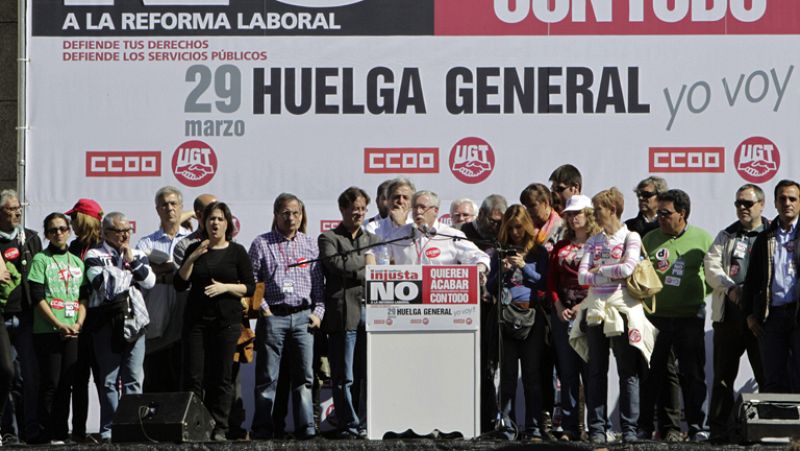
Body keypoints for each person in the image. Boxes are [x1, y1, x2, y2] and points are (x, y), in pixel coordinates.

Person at [575, 187, 656, 444]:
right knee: (596, 371)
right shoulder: (593, 240)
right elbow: (581, 275)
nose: (594, 213)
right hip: (596, 309)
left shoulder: (630, 236)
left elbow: (629, 267)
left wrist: (601, 271)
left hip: (623, 309)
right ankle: (597, 429)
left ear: (612, 209)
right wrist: (609, 271)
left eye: (598, 209)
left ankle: (629, 430)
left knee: (628, 372)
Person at [175, 201, 255, 441]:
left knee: (222, 377)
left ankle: (220, 427)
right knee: (193, 376)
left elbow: (249, 287)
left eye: (220, 219)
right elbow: (180, 284)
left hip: (226, 322)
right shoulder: (195, 248)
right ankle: (195, 424)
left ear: (227, 222)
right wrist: (193, 257)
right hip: (196, 322)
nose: (215, 223)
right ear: (204, 223)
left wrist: (225, 288)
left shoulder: (237, 251)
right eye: (211, 219)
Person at [249, 193, 324, 440]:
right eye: (285, 213)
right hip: (274, 316)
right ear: (276, 215)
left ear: (302, 216)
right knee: (267, 377)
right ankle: (262, 427)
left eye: (296, 213)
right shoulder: (262, 243)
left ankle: (306, 427)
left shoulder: (311, 244)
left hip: (303, 317)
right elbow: (252, 281)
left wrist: (318, 313)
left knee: (305, 377)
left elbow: (318, 286)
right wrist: (265, 310)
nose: (291, 218)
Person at [640, 189, 713, 442]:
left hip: (690, 317)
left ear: (681, 214)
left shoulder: (702, 238)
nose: (659, 217)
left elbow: (714, 276)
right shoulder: (649, 239)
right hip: (655, 318)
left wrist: (697, 293)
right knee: (652, 375)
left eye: (665, 213)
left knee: (692, 375)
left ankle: (697, 427)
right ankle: (647, 427)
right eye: (658, 212)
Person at [84, 212, 155, 442]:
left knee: (134, 377)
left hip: (135, 322)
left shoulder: (138, 254)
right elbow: (102, 286)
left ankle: (132, 427)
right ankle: (109, 429)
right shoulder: (95, 254)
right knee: (109, 380)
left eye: (127, 230)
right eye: (119, 231)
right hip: (106, 323)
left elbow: (148, 281)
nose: (125, 235)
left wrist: (131, 261)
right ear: (105, 232)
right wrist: (127, 277)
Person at [704, 184, 767, 442]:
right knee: (722, 377)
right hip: (729, 318)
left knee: (766, 375)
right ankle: (718, 430)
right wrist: (730, 289)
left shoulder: (773, 233)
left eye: (748, 203)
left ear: (761, 205)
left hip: (762, 317)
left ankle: (768, 428)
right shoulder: (726, 235)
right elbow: (711, 266)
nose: (742, 207)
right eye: (738, 203)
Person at [318, 187, 379, 439]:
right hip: (344, 313)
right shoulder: (328, 238)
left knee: (367, 374)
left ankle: (365, 422)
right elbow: (333, 265)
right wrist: (365, 263)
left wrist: (357, 264)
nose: (359, 213)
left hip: (372, 312)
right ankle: (348, 423)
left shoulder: (372, 239)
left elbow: (380, 270)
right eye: (355, 208)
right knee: (344, 376)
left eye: (363, 209)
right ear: (342, 209)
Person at [624, 176, 681, 441]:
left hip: (665, 309)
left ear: (660, 196)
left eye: (647, 195)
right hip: (636, 308)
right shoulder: (630, 228)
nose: (642, 199)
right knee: (638, 369)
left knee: (666, 369)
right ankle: (641, 425)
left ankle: (670, 426)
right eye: (640, 194)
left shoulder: (666, 229)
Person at [487, 205, 548, 441]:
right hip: (506, 316)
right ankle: (507, 427)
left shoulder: (539, 252)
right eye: (510, 228)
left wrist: (524, 267)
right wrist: (501, 272)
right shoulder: (499, 252)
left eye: (519, 227)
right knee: (508, 376)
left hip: (531, 317)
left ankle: (534, 428)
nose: (515, 232)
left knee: (532, 375)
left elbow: (543, 283)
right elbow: (491, 288)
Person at [27, 213, 86, 445]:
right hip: (48, 330)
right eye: (53, 230)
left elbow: (84, 298)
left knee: (67, 383)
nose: (58, 233)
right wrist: (57, 323)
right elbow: (37, 296)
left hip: (72, 330)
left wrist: (78, 324)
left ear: (69, 231)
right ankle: (46, 433)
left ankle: (61, 433)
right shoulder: (41, 259)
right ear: (47, 234)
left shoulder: (77, 262)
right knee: (50, 382)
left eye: (62, 229)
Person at [546, 194, 600, 441]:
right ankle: (569, 427)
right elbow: (551, 280)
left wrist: (582, 305)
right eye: (569, 214)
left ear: (589, 214)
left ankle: (594, 427)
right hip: (563, 315)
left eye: (577, 213)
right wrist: (557, 306)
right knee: (567, 373)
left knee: (591, 372)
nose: (573, 217)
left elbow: (601, 281)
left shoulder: (598, 244)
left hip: (589, 314)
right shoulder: (560, 246)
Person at [744, 179, 800, 393]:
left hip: (798, 314)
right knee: (773, 379)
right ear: (775, 203)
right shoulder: (765, 237)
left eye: (792, 199)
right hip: (772, 317)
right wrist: (749, 314)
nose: (787, 203)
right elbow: (752, 281)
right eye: (782, 199)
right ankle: (777, 427)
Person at [136, 186, 191, 393]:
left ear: (181, 207)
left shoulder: (192, 241)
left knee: (183, 377)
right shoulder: (147, 242)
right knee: (155, 377)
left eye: (173, 203)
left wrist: (162, 272)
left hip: (185, 316)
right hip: (157, 316)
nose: (169, 208)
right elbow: (141, 274)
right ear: (157, 209)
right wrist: (173, 273)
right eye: (164, 204)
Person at [0, 189, 42, 445]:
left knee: (28, 376)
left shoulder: (31, 238)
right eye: (11, 208)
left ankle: (30, 430)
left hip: (26, 316)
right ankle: (8, 430)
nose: (17, 212)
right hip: (2, 316)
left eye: (20, 207)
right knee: (5, 372)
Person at [64, 198, 103, 443]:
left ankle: (109, 429)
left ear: (85, 218)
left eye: (74, 217)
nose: (70, 222)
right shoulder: (71, 247)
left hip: (101, 321)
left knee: (104, 378)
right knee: (78, 379)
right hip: (77, 322)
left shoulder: (104, 244)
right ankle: (78, 430)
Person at [375, 190, 490, 269]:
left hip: (440, 299)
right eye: (415, 207)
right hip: (406, 299)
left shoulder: (451, 235)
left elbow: (480, 257)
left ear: (435, 211)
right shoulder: (398, 235)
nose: (418, 211)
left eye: (423, 207)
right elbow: (377, 256)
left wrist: (479, 269)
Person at [173, 193, 218, 269]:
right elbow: (182, 278)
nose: (217, 216)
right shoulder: (184, 246)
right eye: (212, 211)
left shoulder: (230, 242)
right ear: (199, 215)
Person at [365, 177, 415, 242]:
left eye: (405, 197)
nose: (400, 201)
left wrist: (401, 225)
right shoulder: (373, 227)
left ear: (412, 203)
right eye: (396, 197)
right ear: (388, 201)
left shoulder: (417, 227)